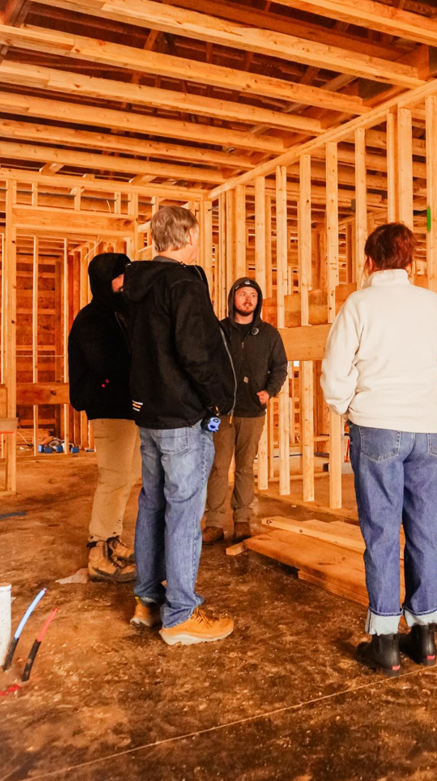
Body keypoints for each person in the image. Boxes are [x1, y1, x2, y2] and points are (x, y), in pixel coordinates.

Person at [321, 223, 437, 677]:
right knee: (426, 529)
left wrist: (349, 407)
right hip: (427, 431)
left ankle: (384, 641)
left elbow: (335, 372)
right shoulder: (432, 304)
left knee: (381, 531)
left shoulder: (358, 305)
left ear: (369, 260)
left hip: (376, 428)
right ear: (410, 260)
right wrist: (430, 398)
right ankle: (424, 635)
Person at [124, 205, 237, 646]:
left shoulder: (137, 285)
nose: (200, 242)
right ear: (187, 236)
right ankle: (181, 616)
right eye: (198, 235)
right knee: (185, 513)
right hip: (182, 417)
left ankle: (147, 602)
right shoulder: (182, 284)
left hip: (149, 413)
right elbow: (195, 353)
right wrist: (218, 398)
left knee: (153, 506)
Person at [69, 252, 140, 584]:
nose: (125, 281)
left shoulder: (120, 314)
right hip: (108, 409)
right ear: (103, 279)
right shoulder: (92, 318)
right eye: (119, 275)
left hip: (126, 408)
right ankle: (98, 553)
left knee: (126, 478)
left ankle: (113, 540)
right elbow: (108, 364)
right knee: (113, 478)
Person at [203, 278, 288, 544]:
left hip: (252, 413)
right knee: (218, 467)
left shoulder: (269, 334)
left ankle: (242, 519)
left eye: (253, 295)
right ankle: (214, 523)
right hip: (221, 414)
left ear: (258, 301)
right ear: (233, 299)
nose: (248, 299)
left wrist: (270, 391)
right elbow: (204, 364)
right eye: (243, 294)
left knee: (244, 468)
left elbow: (280, 367)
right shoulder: (218, 331)